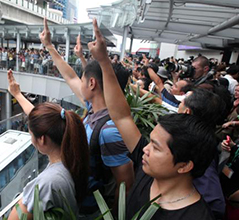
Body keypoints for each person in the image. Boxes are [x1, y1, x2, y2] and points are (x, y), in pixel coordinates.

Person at [88, 18, 217, 219]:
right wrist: (104, 61)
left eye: (156, 147)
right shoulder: (150, 168)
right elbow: (121, 116)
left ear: (184, 165)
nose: (145, 149)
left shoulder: (196, 216)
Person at [39, 18, 134, 217]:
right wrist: (48, 46)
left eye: (83, 79)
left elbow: (125, 183)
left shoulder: (109, 130)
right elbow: (70, 77)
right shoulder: (94, 109)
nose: (78, 81)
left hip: (92, 212)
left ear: (92, 83)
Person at [6, 70, 90, 219]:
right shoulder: (71, 157)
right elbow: (43, 122)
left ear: (42, 139)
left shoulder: (48, 182)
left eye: (31, 134)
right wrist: (17, 94)